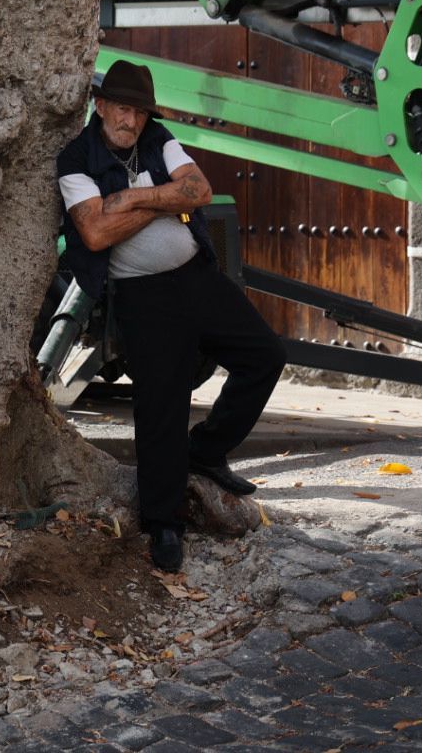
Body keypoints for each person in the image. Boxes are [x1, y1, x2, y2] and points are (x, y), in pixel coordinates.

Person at [55, 60, 286, 573]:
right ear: (101, 106)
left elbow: (198, 190)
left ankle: (206, 449)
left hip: (196, 275)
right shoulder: (76, 158)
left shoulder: (159, 138)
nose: (131, 120)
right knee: (161, 403)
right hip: (142, 295)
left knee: (265, 355)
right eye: (122, 108)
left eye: (138, 111)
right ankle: (164, 524)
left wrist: (133, 199)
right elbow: (93, 234)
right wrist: (167, 201)